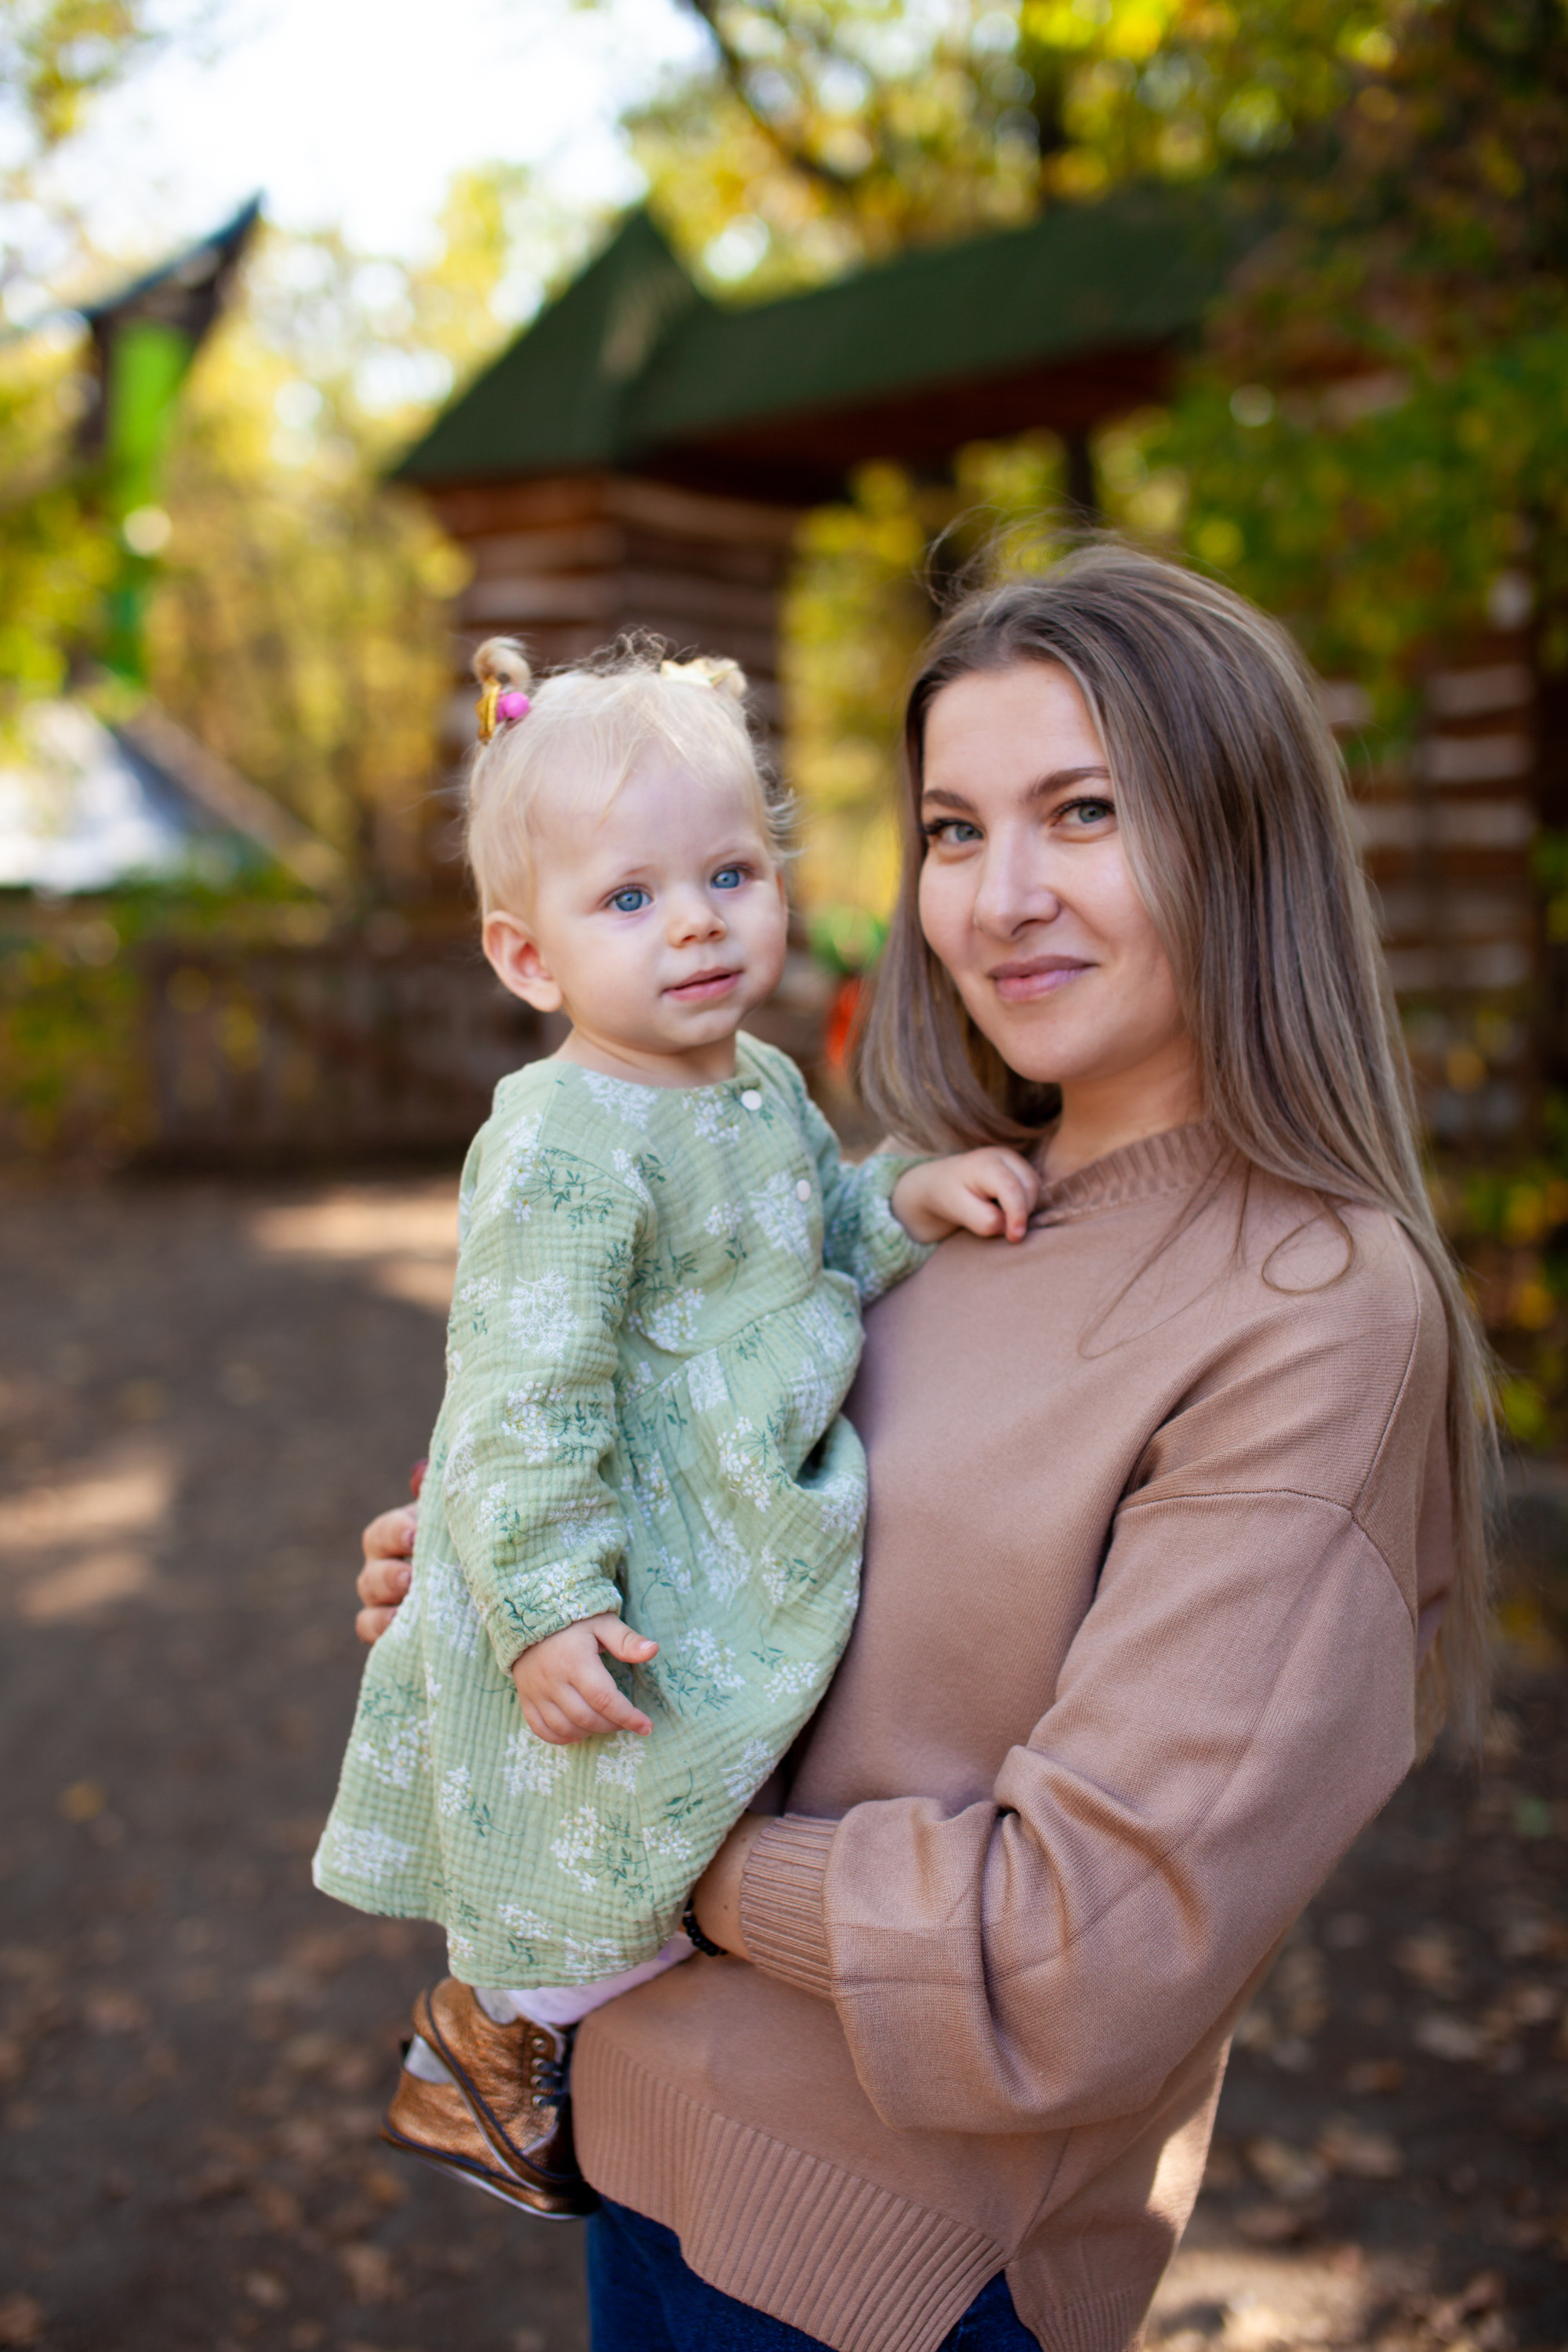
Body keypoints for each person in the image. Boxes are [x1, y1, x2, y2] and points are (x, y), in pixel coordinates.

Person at [353, 548, 1493, 2350]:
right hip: (648, 2165)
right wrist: (498, 1603)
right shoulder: (924, 1200)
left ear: (1241, 836)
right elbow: (749, 1519)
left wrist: (631, 1820)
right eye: (953, 830)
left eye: (1085, 812)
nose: (1002, 896)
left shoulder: (1311, 1308)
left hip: (890, 2272)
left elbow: (1073, 1949)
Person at [314, 635, 1039, 2220]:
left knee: (691, 1794)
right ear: (528, 959)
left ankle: (526, 2040)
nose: (698, 920)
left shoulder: (762, 1083)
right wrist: (546, 1601)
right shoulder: (560, 1140)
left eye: (729, 871)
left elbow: (812, 1236)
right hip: (628, 1536)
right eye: (629, 900)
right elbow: (521, 1392)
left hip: (736, 1507)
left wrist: (904, 1200)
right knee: (608, 1806)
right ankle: (487, 2038)